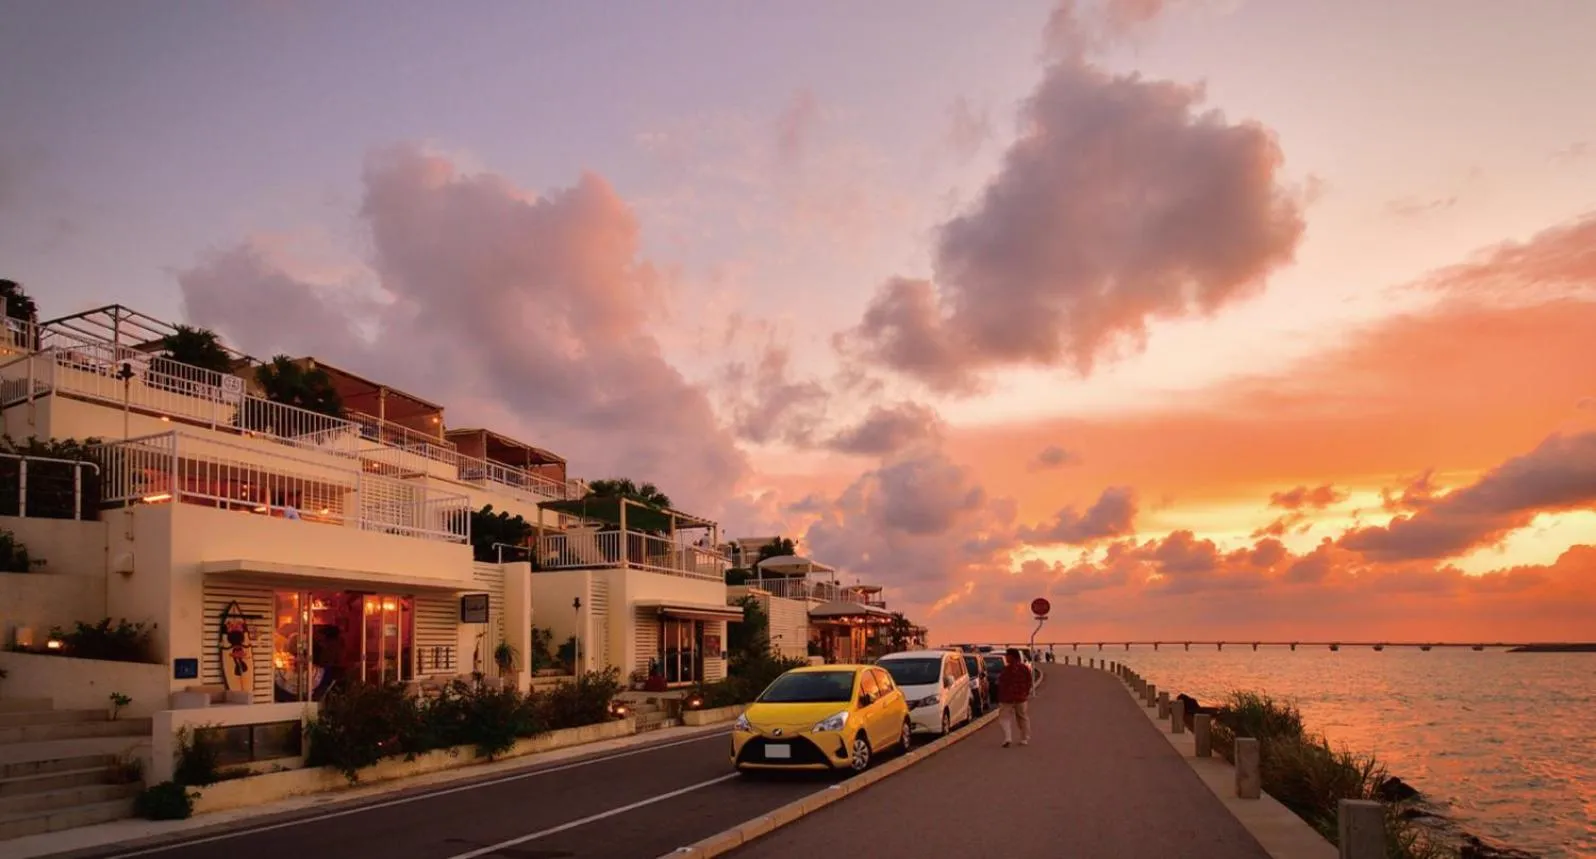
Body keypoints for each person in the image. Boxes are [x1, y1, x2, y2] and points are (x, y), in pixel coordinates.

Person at [997, 647, 1033, 748]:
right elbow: (1029, 681)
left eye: (1007, 655)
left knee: (1004, 718)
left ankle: (1008, 738)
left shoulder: (1006, 669)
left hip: (1007, 699)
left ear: (1012, 657)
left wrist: (1000, 696)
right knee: (1022, 718)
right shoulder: (1024, 668)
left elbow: (1001, 684)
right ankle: (1024, 738)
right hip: (1021, 698)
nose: (1006, 657)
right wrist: (1025, 693)